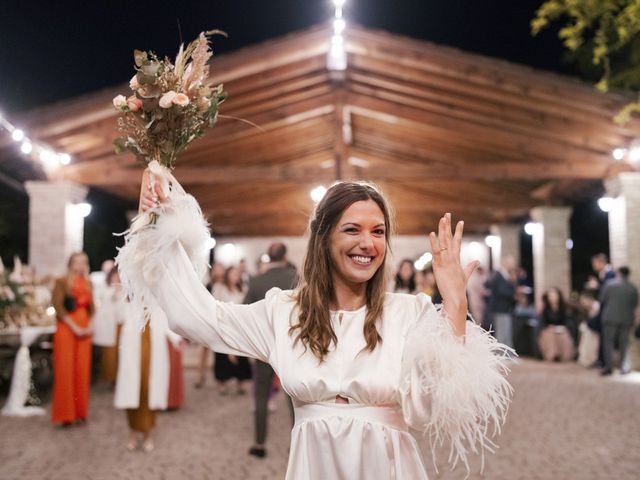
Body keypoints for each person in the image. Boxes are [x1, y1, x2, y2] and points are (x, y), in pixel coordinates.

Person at [129, 176, 513, 479]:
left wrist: (455, 307)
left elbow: (447, 401)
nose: (368, 243)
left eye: (378, 232)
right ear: (324, 238)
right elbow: (199, 317)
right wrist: (162, 225)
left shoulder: (408, 312)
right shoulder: (284, 312)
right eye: (352, 230)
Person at [243, 242, 298, 458]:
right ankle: (296, 444)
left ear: (269, 256)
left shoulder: (256, 281)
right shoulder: (296, 278)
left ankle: (259, 444)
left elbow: (246, 313)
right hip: (291, 347)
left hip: (263, 346)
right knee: (294, 399)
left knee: (261, 396)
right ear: (285, 256)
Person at [115, 307, 170, 452]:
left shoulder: (156, 305)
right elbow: (119, 316)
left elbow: (167, 321)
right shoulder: (129, 302)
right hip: (133, 348)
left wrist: (178, 339)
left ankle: (148, 434)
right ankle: (132, 433)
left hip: (152, 347)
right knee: (132, 392)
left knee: (148, 392)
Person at [51, 252, 94, 426]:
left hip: (85, 330)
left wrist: (90, 325)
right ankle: (66, 415)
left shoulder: (89, 283)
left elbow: (92, 308)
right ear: (70, 264)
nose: (80, 265)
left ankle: (80, 412)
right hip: (67, 328)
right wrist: (74, 326)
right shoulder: (61, 282)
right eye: (77, 262)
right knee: (65, 369)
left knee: (82, 369)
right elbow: (58, 307)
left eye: (84, 262)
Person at [212, 266, 251, 395]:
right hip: (224, 326)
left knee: (240, 355)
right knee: (223, 355)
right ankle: (222, 382)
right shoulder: (219, 288)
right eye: (233, 274)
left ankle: (240, 381)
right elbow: (214, 304)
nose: (236, 276)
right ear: (228, 275)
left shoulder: (243, 289)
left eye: (237, 274)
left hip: (239, 327)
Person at [599, 267, 639, 375]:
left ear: (619, 273)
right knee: (624, 344)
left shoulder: (609, 284)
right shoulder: (632, 287)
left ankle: (609, 368)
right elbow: (635, 304)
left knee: (608, 343)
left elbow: (602, 299)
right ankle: (624, 367)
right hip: (626, 319)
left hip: (610, 318)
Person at [194, 262, 225, 389]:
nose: (217, 272)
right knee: (203, 351)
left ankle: (222, 379)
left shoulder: (224, 285)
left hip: (220, 320)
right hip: (207, 320)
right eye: (215, 269)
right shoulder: (209, 285)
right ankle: (200, 376)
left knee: (221, 352)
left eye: (219, 269)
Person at [92, 266, 123, 385]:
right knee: (108, 352)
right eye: (115, 275)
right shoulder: (104, 288)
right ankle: (109, 376)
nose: (117, 278)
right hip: (107, 324)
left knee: (118, 352)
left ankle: (117, 377)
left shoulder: (124, 289)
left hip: (120, 324)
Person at [483, 256, 517, 347]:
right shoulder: (498, 275)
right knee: (502, 332)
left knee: (506, 331)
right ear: (505, 263)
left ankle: (507, 353)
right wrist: (513, 289)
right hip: (499, 308)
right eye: (511, 263)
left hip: (505, 308)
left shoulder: (505, 275)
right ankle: (501, 353)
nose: (513, 265)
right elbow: (501, 291)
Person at [537, 287, 575, 362]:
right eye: (550, 296)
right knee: (550, 335)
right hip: (549, 330)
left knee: (564, 335)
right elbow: (543, 322)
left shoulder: (564, 308)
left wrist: (564, 327)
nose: (553, 297)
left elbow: (567, 320)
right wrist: (549, 327)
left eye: (554, 295)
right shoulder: (545, 309)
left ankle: (565, 355)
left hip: (562, 330)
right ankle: (552, 355)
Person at [577, 291, 601, 367]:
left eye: (584, 302)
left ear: (589, 300)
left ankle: (591, 358)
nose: (583, 305)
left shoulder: (597, 307)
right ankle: (586, 357)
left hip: (598, 331)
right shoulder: (588, 310)